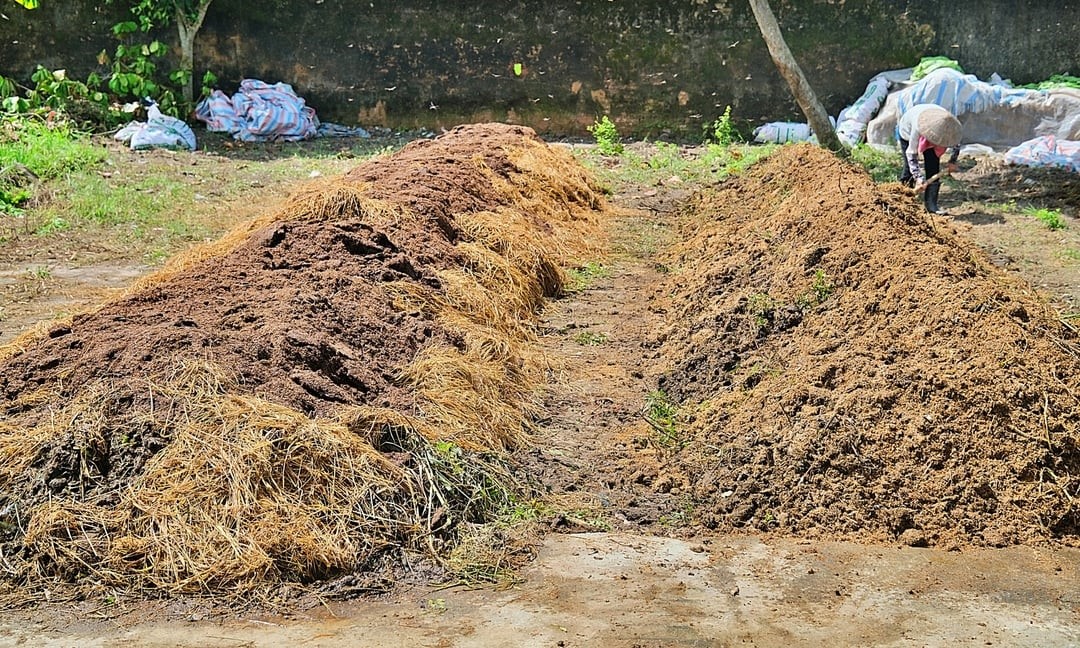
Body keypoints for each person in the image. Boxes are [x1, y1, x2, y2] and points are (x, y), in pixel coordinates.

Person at [896, 103, 962, 214]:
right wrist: (918, 178)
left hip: (935, 129)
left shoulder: (952, 127)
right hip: (907, 130)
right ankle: (903, 201)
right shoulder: (917, 127)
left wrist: (952, 161)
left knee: (933, 166)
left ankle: (931, 205)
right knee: (909, 169)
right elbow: (911, 154)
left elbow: (957, 144)